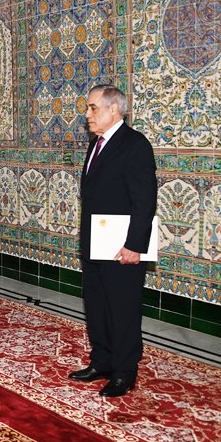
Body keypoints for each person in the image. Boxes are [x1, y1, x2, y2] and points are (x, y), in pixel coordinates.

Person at [68, 84, 157, 398]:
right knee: (97, 307)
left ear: (114, 109)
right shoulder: (97, 144)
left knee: (122, 310)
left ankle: (123, 372)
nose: (87, 114)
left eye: (93, 108)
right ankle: (102, 362)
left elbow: (144, 201)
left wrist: (135, 246)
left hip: (122, 247)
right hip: (95, 244)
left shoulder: (135, 144)